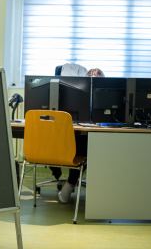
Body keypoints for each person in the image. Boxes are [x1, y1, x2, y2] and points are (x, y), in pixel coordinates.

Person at [57, 66, 105, 203]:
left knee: (86, 145)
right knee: (82, 145)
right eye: (90, 77)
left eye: (97, 78)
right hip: (70, 137)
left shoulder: (104, 96)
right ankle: (70, 184)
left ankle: (69, 185)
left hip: (97, 137)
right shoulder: (71, 95)